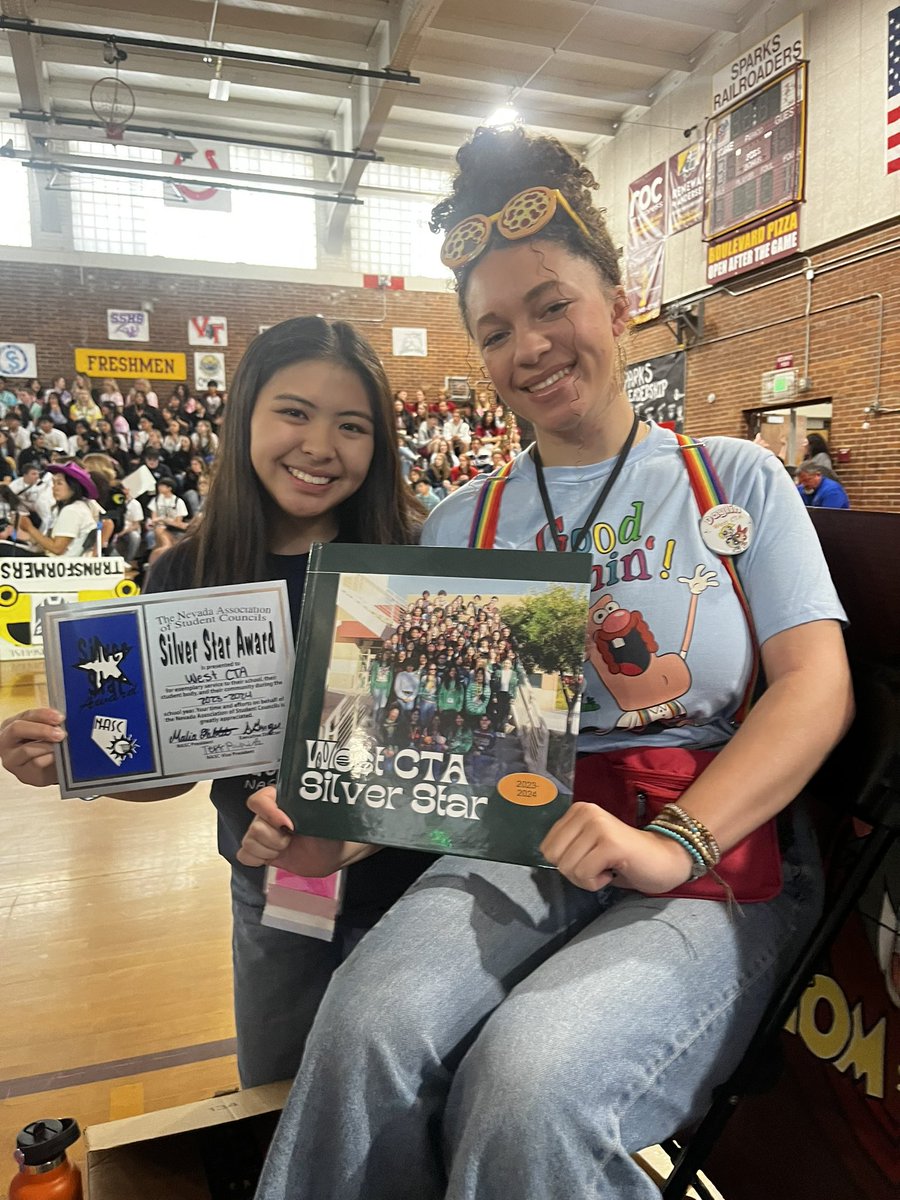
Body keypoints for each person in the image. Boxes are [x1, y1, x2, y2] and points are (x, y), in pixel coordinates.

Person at [243, 127, 853, 1200]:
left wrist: (678, 841)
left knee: (533, 1081)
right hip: (521, 831)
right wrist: (322, 838)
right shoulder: (463, 519)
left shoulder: (730, 482)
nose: (528, 345)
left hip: (713, 850)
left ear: (618, 306)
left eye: (552, 305)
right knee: (364, 1026)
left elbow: (816, 686)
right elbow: (425, 748)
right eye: (494, 329)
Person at [0, 316, 430, 1090]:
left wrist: (357, 830)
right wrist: (69, 757)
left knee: (403, 1108)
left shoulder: (423, 559)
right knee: (276, 1093)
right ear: (244, 418)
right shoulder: (188, 573)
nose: (320, 446)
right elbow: (172, 770)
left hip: (417, 893)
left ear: (381, 440)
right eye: (293, 412)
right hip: (271, 892)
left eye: (352, 425)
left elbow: (465, 752)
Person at [2, 460, 102, 557]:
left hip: (59, 566)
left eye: (59, 483)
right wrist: (29, 537)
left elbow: (57, 549)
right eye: (53, 483)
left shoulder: (73, 510)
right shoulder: (73, 507)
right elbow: (49, 543)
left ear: (73, 487)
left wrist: (29, 527)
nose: (54, 488)